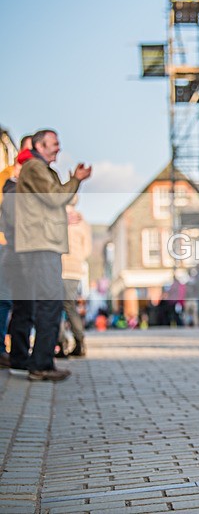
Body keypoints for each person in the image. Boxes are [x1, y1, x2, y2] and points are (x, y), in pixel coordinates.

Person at [13, 129, 91, 381]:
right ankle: (41, 364)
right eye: (54, 144)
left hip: (40, 244)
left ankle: (33, 361)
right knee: (49, 303)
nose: (58, 148)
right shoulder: (35, 168)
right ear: (40, 145)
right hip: (41, 245)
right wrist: (76, 180)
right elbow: (56, 198)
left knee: (40, 304)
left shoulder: (37, 169)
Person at [0, 135, 32, 370]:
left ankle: (16, 352)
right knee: (6, 300)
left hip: (20, 246)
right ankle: (3, 350)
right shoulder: (9, 179)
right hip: (6, 244)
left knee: (20, 302)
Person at [59, 196, 92, 357]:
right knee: (69, 305)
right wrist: (77, 258)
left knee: (55, 306)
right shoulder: (83, 223)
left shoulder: (58, 218)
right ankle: (79, 341)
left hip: (59, 265)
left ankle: (60, 342)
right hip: (75, 269)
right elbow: (87, 250)